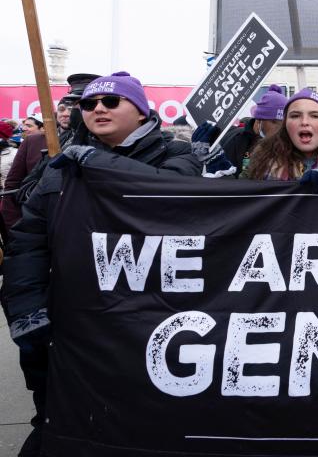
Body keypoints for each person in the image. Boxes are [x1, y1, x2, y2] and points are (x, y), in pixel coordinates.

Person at [1, 71, 201, 457]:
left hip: (145, 324)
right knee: (58, 426)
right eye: (89, 104)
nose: (97, 109)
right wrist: (27, 313)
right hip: (67, 327)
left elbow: (173, 194)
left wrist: (101, 164)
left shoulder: (176, 155)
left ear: (141, 112)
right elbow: (28, 242)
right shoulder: (61, 164)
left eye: (111, 102)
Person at [220, 84, 288, 177]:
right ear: (259, 119)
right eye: (274, 122)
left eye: (282, 123)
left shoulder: (283, 144)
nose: (279, 129)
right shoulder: (235, 141)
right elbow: (225, 183)